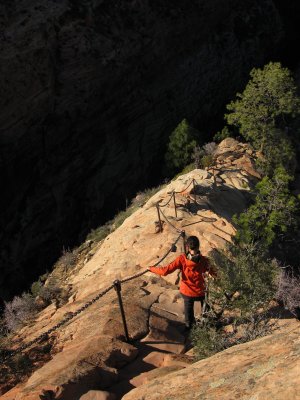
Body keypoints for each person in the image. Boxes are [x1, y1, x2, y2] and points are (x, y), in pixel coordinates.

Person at [148, 235, 213, 331]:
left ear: (187, 247)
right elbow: (214, 272)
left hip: (187, 292)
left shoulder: (182, 259)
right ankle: (208, 323)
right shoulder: (204, 260)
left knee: (188, 310)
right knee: (206, 305)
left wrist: (151, 268)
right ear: (198, 247)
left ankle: (189, 327)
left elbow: (165, 271)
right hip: (200, 292)